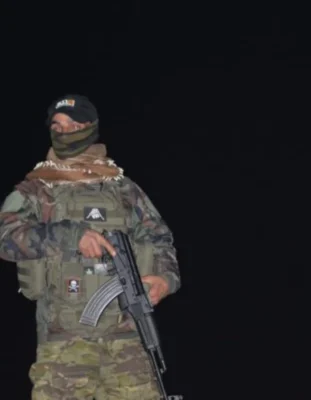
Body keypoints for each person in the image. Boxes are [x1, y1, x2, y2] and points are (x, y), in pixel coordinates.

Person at [0, 94, 181, 399]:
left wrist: (165, 279)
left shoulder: (122, 189)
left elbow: (159, 238)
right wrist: (71, 235)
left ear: (91, 128)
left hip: (127, 341)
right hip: (63, 344)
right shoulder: (37, 189)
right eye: (57, 126)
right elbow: (5, 237)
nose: (64, 132)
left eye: (74, 126)